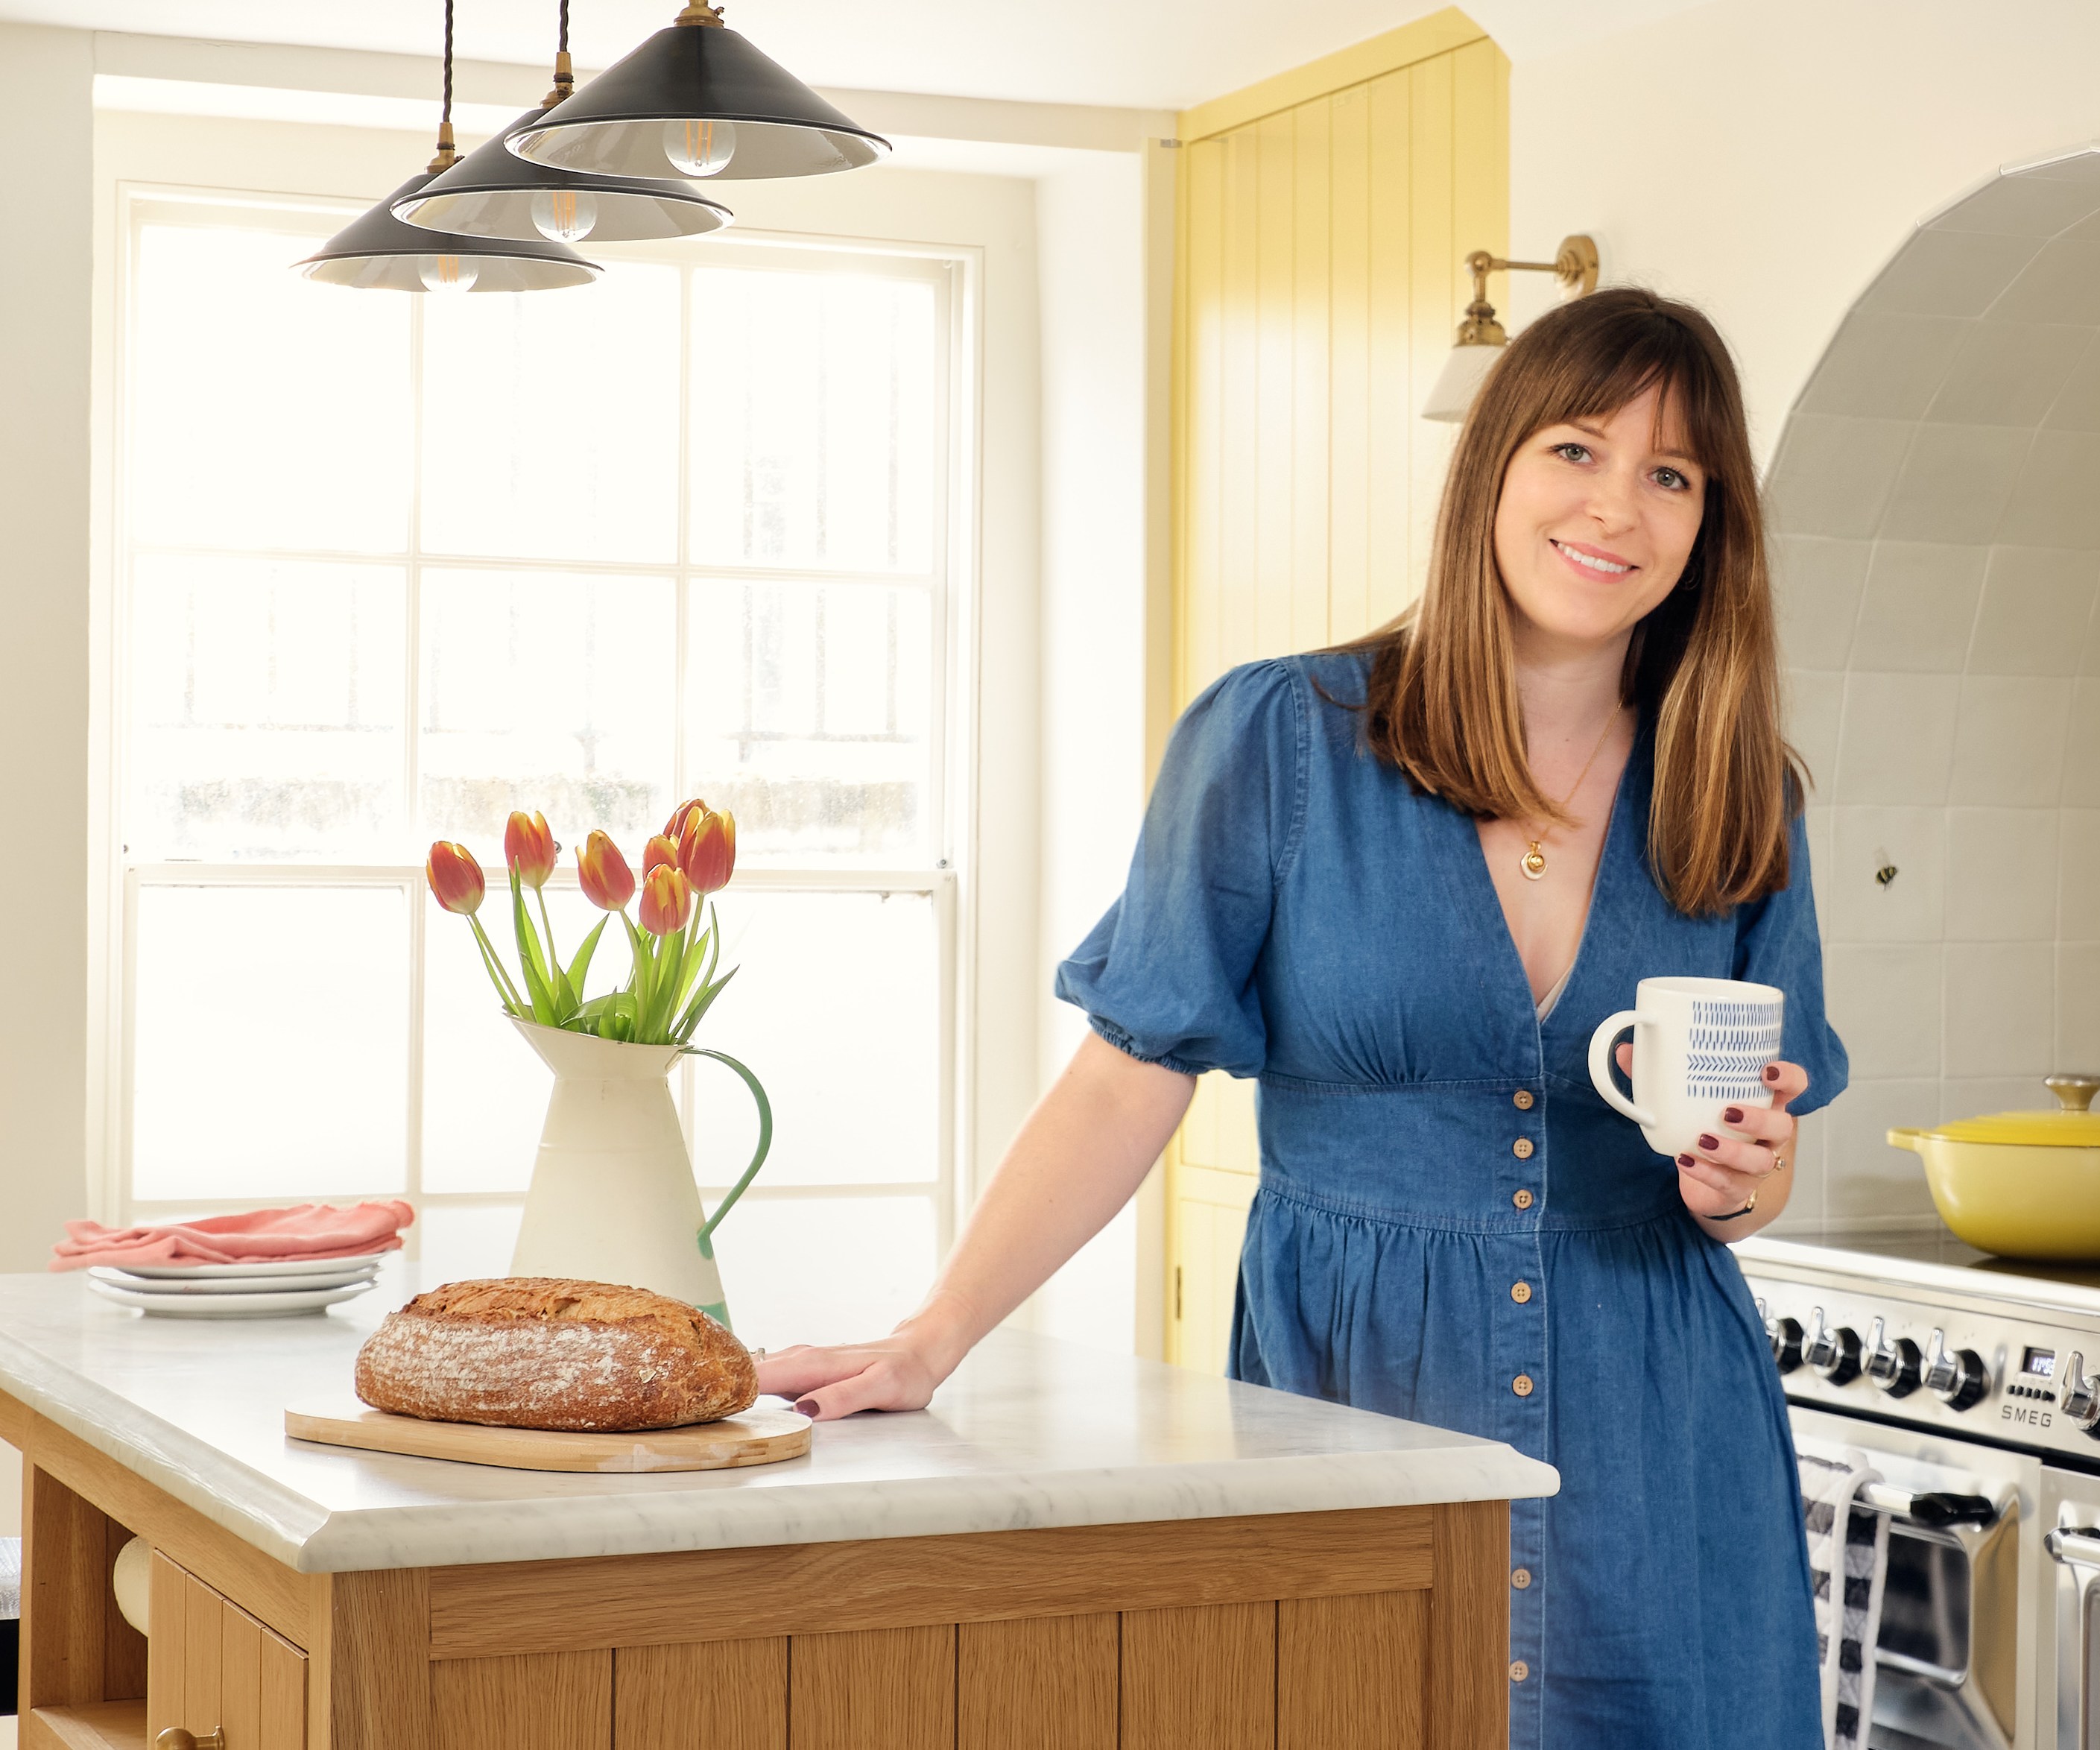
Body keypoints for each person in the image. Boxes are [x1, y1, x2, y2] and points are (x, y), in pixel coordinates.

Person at [759, 286, 1847, 1750]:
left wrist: (1741, 1179)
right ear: (1494, 469)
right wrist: (931, 1336)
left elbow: (1758, 1147)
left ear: (1710, 525)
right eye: (1577, 451)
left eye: (1671, 476)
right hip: (1355, 1385)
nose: (1617, 508)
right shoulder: (1281, 738)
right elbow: (1125, 1075)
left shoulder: (1739, 787)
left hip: (1660, 1416)